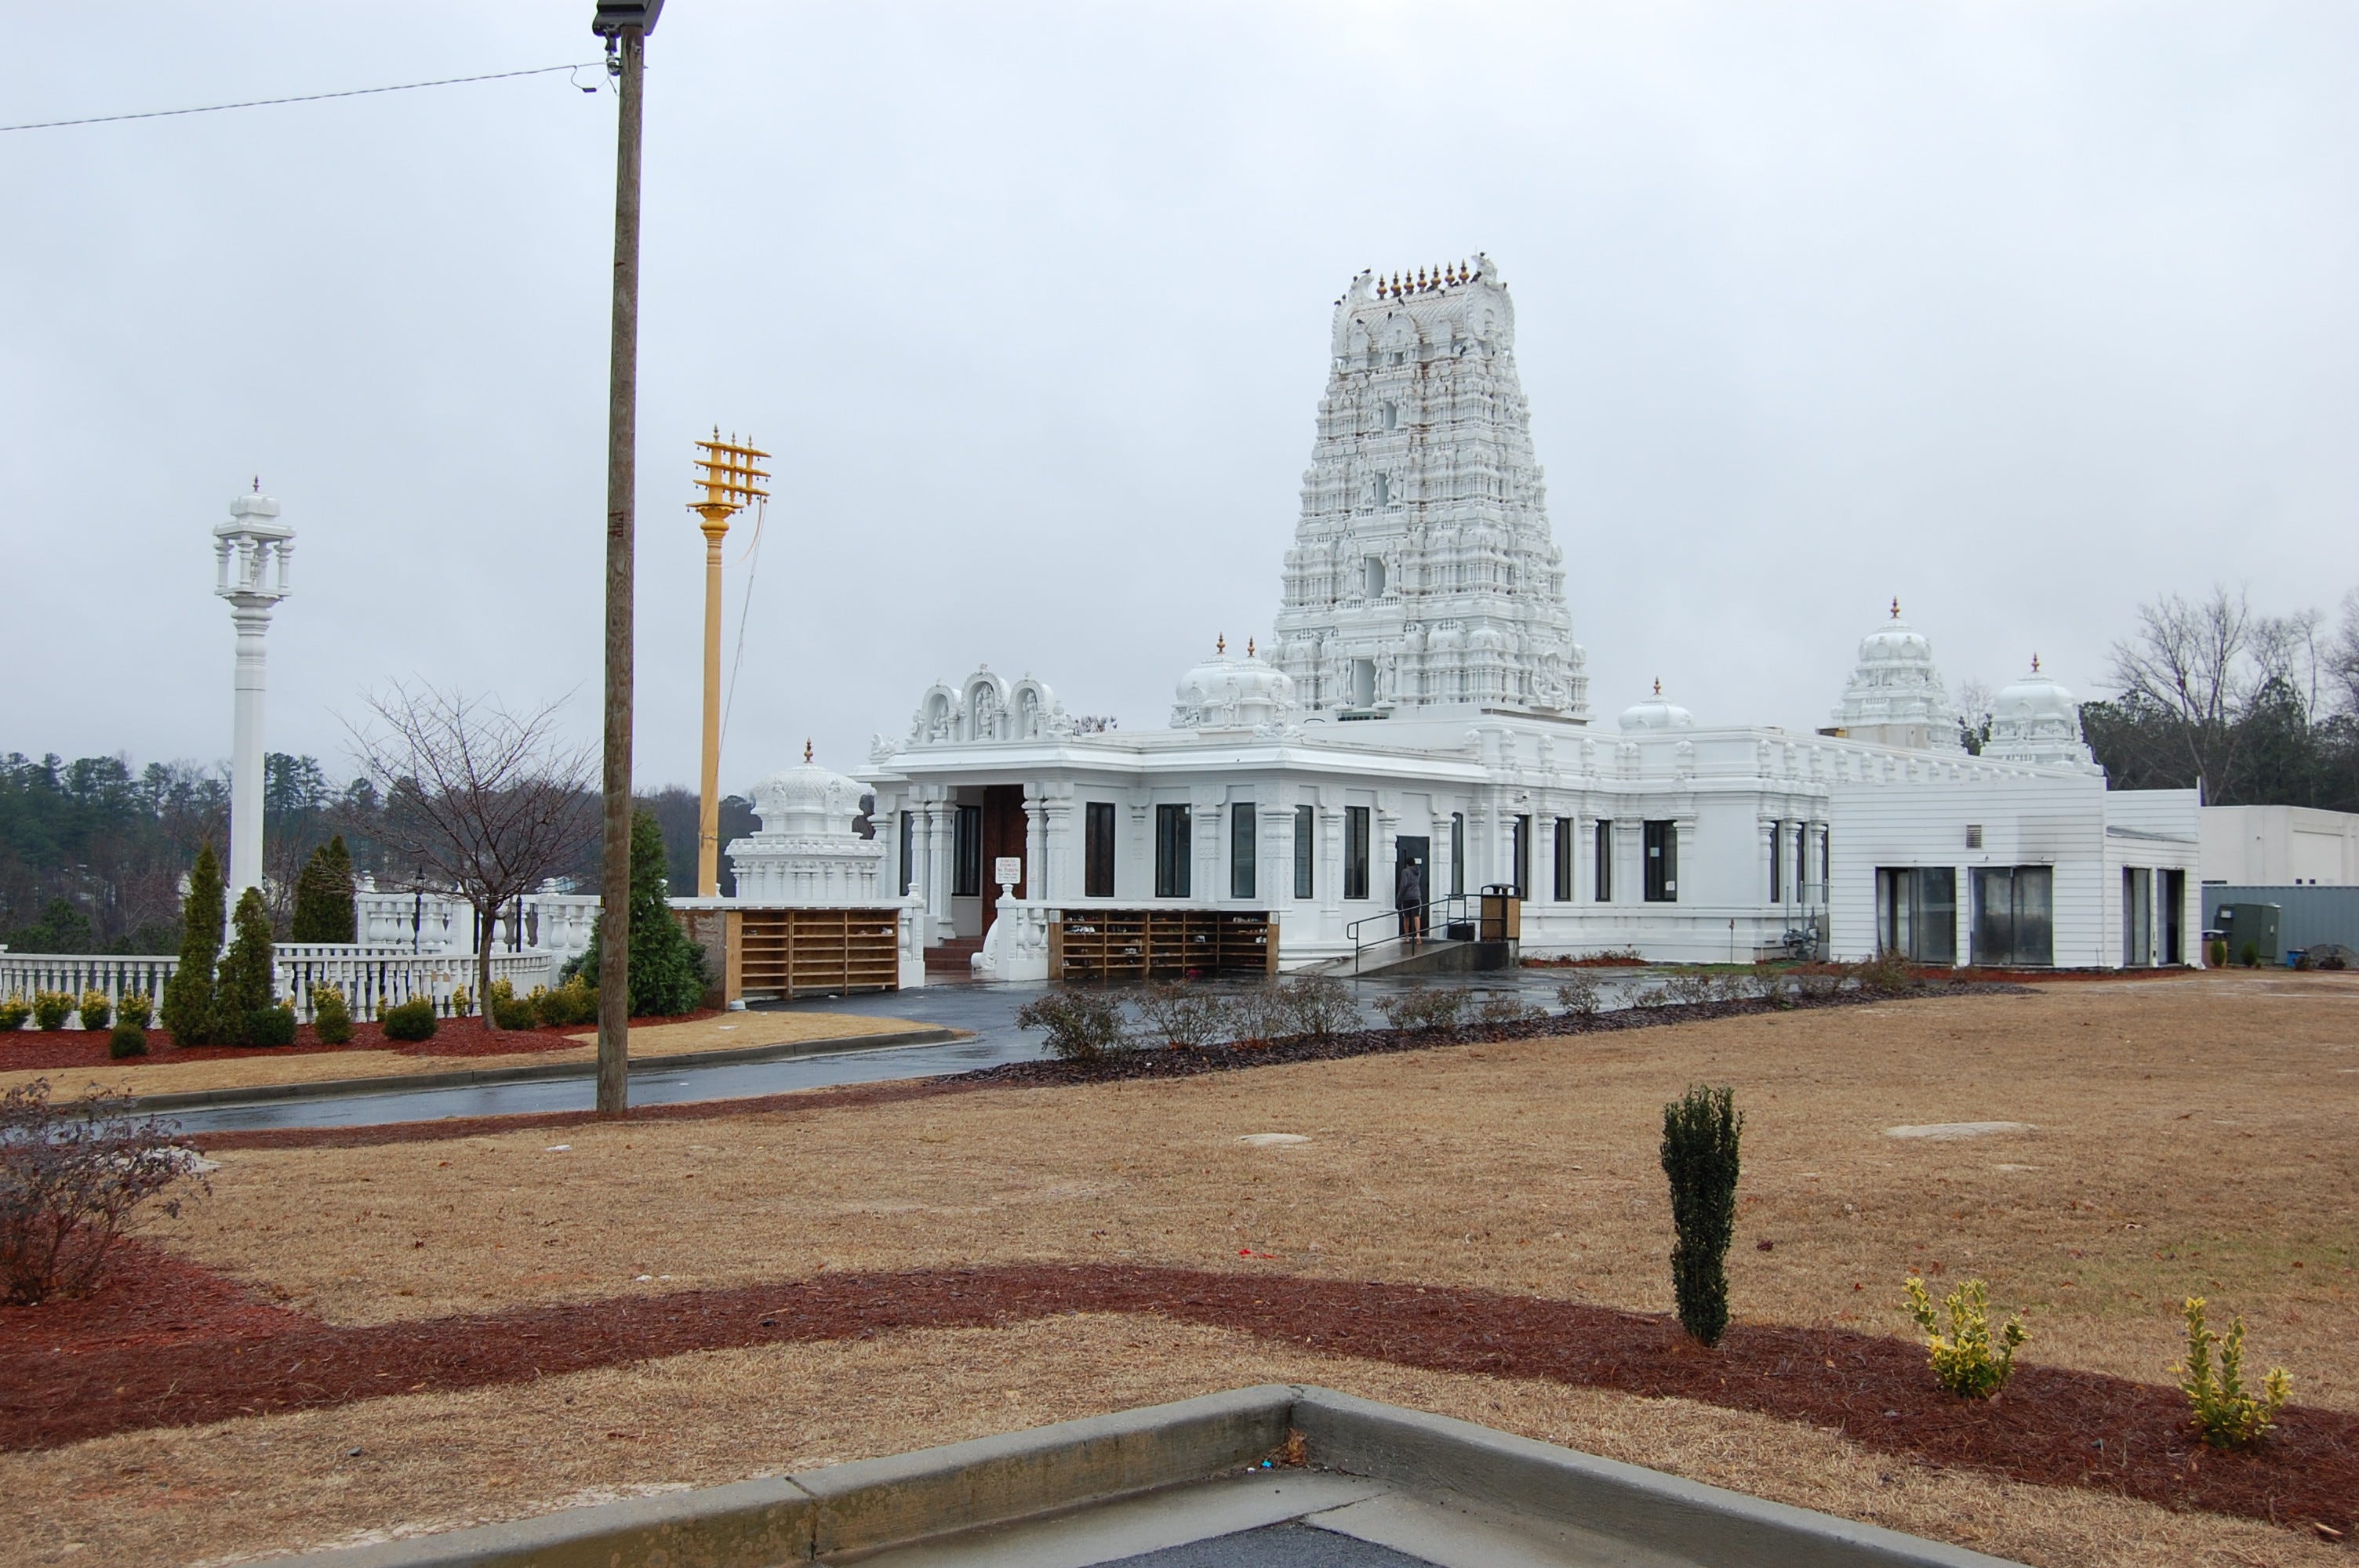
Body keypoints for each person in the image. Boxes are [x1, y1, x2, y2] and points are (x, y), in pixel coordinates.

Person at [1398, 858, 1427, 945]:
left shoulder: (1405, 872)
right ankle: (1418, 935)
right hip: (1416, 896)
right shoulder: (1418, 871)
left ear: (1407, 864)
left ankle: (1407, 937)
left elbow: (1404, 885)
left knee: (1406, 917)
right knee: (1416, 916)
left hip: (1407, 897)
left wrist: (1399, 897)